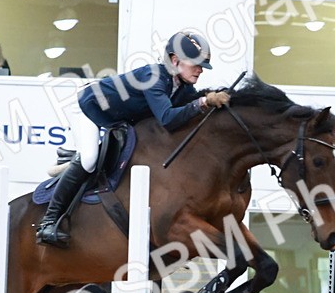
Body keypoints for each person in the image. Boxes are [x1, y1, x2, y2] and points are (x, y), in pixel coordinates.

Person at [35, 31, 231, 247]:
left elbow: (191, 104)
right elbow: (168, 118)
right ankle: (48, 222)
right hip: (89, 108)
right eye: (195, 64)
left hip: (116, 120)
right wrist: (203, 102)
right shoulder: (154, 77)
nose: (200, 70)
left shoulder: (181, 86)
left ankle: (71, 158)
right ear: (175, 61)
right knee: (89, 160)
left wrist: (217, 95)